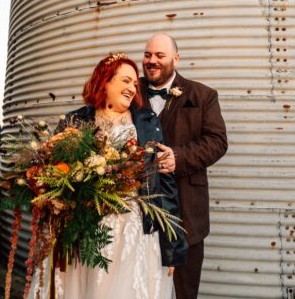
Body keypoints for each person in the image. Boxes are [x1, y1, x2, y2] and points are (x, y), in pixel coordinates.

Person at [28, 53, 188, 299]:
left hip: (134, 230)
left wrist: (173, 247)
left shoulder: (147, 121)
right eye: (125, 81)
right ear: (105, 81)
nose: (132, 88)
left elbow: (164, 184)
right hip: (84, 229)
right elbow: (53, 173)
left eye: (134, 83)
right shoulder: (76, 120)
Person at [140, 34, 228, 299]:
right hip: (137, 211)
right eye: (147, 55)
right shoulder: (130, 90)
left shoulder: (203, 96)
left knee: (183, 290)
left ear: (175, 59)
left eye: (159, 55)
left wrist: (179, 158)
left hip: (187, 212)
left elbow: (217, 142)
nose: (151, 61)